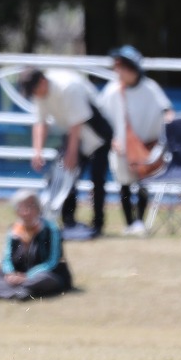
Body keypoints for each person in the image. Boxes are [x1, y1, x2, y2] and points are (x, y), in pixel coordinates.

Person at [18, 66, 114, 240]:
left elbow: (77, 121)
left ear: (42, 82)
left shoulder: (68, 86)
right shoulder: (40, 93)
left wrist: (72, 153)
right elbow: (40, 122)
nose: (34, 95)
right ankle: (69, 222)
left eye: (34, 90)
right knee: (65, 177)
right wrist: (37, 151)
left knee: (97, 179)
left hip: (97, 134)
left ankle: (98, 224)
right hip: (74, 135)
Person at [97, 45, 174, 237]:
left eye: (121, 66)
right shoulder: (112, 90)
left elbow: (166, 110)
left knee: (143, 183)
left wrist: (169, 125)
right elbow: (102, 117)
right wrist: (111, 139)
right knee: (123, 184)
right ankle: (129, 222)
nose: (118, 71)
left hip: (145, 146)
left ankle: (139, 220)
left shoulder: (150, 88)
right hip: (121, 147)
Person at [0, 189, 72, 300]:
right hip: (18, 276)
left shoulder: (51, 229)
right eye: (22, 208)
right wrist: (11, 274)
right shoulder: (13, 231)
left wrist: (27, 277)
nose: (26, 212)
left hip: (42, 275)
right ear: (17, 211)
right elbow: (7, 259)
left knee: (45, 278)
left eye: (31, 207)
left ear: (38, 209)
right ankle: (17, 293)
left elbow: (52, 261)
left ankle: (13, 290)